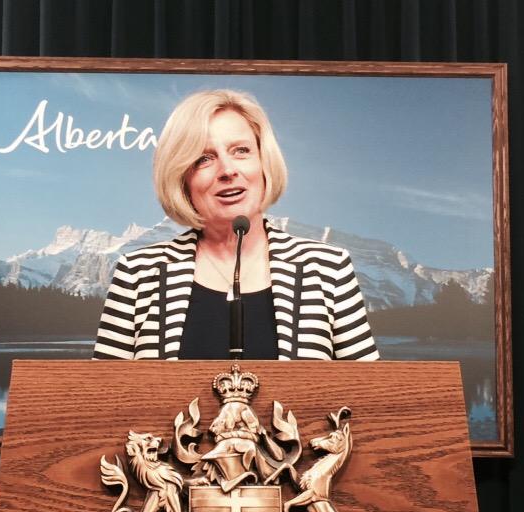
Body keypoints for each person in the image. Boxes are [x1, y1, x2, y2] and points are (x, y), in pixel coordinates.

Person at [93, 89, 379, 361]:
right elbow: (103, 391)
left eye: (241, 150)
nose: (227, 170)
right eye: (204, 158)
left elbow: (371, 390)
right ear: (181, 178)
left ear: (264, 162)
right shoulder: (138, 274)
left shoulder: (328, 269)